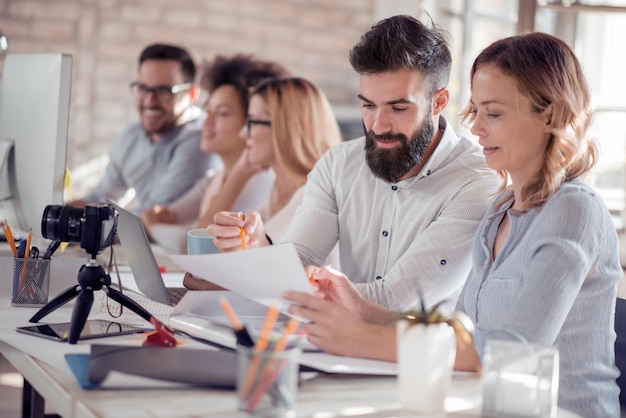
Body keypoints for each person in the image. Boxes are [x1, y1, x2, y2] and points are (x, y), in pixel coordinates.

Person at [284, 31, 622, 418]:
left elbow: (515, 350)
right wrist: (358, 306)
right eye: (476, 111)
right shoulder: (500, 210)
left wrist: (365, 339)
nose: (476, 128)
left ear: (548, 114)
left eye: (493, 113)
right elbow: (458, 332)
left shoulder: (574, 209)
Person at [208, 15, 500, 312]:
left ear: (439, 102)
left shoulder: (477, 183)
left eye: (398, 108)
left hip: (419, 354)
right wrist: (261, 249)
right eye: (368, 105)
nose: (379, 126)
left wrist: (294, 280)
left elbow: (394, 301)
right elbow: (298, 260)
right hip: (330, 347)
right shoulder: (337, 165)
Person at [184, 76, 342, 290]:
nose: (242, 133)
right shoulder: (279, 189)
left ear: (286, 128)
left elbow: (269, 276)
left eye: (252, 122)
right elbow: (208, 241)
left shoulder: (311, 195)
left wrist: (216, 285)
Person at [140, 54, 288, 253]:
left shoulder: (262, 182)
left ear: (250, 121)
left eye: (222, 113)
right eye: (208, 111)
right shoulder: (213, 180)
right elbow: (157, 218)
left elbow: (196, 243)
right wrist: (156, 223)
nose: (207, 122)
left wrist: (154, 226)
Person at [70, 43, 220, 213]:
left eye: (164, 91)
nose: (149, 101)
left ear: (192, 94)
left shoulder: (202, 141)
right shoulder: (131, 137)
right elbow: (101, 199)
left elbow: (154, 215)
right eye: (143, 88)